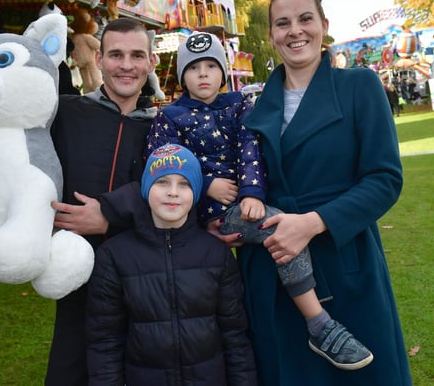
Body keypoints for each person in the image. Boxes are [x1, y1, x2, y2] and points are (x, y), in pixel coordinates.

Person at [206, 0, 412, 385]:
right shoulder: (252, 105)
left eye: (305, 18)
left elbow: (385, 178)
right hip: (270, 265)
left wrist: (313, 222)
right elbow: (239, 177)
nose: (294, 30)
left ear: (323, 24)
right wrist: (221, 220)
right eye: (282, 23)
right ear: (271, 34)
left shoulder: (359, 87)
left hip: (342, 256)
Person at [0, 17, 159, 386]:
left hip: (139, 264)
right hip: (72, 266)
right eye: (116, 54)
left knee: (141, 363)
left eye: (137, 55)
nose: (127, 65)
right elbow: (5, 150)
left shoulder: (160, 125)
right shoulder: (64, 112)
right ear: (99, 59)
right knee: (72, 365)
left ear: (150, 62)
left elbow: (168, 188)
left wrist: (109, 216)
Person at [146, 31, 373, 370]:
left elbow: (250, 151)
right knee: (274, 233)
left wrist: (252, 194)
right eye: (194, 69)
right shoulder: (171, 116)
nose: (204, 74)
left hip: (241, 203)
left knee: (275, 226)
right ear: (182, 76)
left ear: (224, 72)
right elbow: (162, 162)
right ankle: (318, 323)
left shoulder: (238, 106)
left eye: (211, 66)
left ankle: (313, 317)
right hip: (199, 211)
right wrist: (206, 184)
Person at [86, 144, 257, 385]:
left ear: (195, 192)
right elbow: (105, 341)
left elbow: (235, 336)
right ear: (146, 188)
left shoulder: (216, 254)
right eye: (162, 182)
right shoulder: (114, 256)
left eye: (184, 184)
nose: (173, 192)